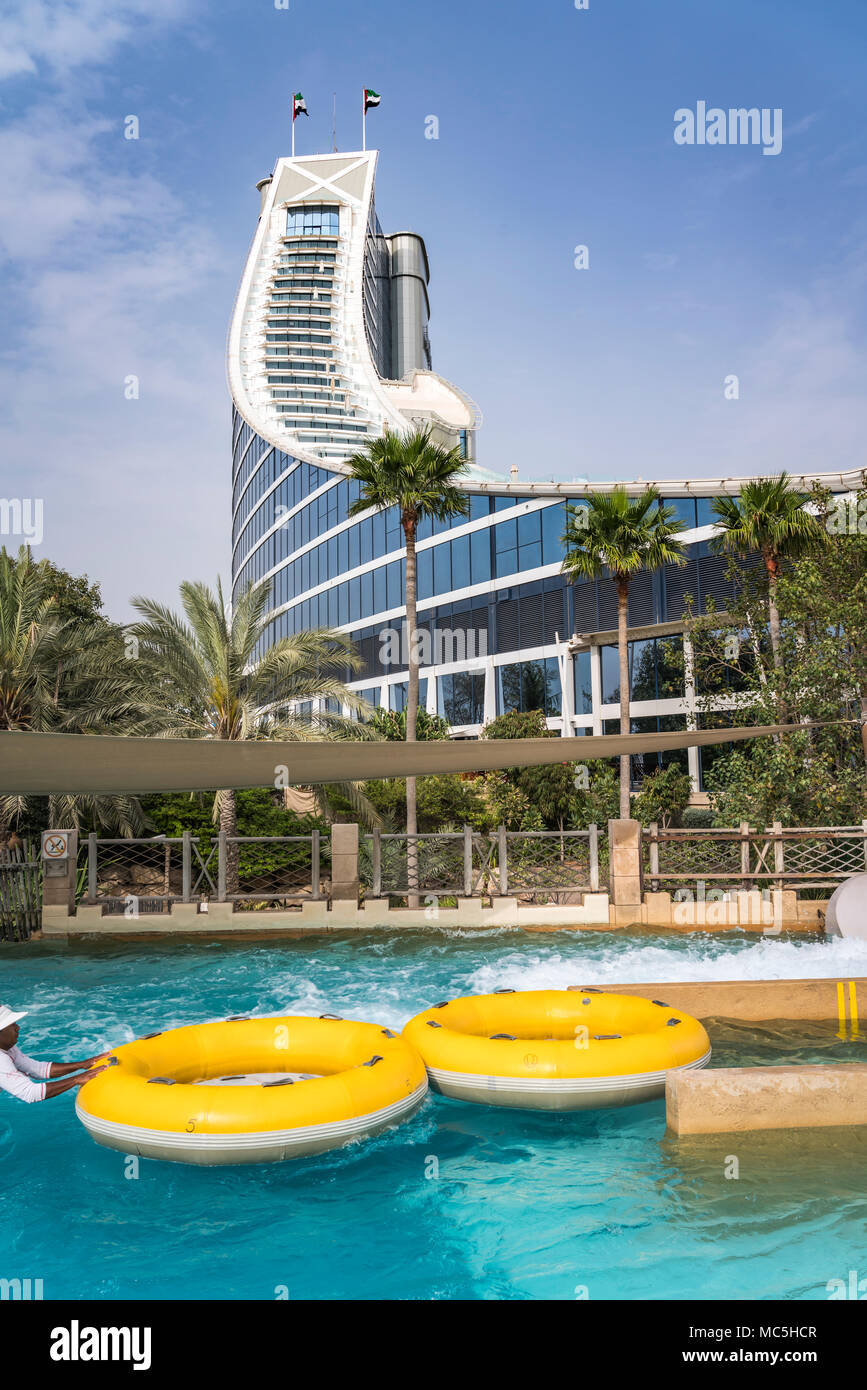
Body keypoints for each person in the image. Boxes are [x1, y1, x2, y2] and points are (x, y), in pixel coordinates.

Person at [0, 1005, 108, 1103]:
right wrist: (76, 1079)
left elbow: (37, 1069)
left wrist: (82, 1064)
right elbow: (29, 1093)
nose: (18, 1028)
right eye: (12, 1025)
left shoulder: (7, 1046)